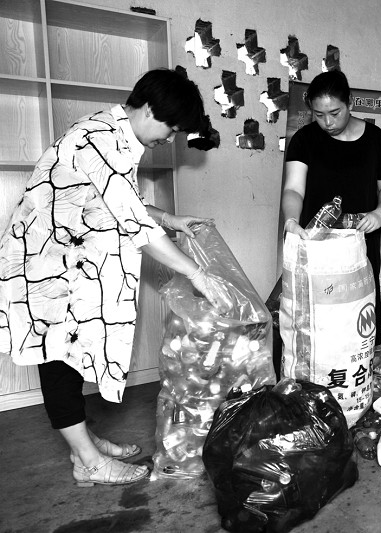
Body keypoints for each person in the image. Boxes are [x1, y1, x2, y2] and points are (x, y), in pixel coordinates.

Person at [0, 68, 228, 487]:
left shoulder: (115, 136)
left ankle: (83, 445)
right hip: (45, 265)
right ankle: (88, 461)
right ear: (148, 108)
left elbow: (125, 202)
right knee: (57, 358)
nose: (170, 139)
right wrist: (197, 273)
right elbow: (135, 224)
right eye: (171, 128)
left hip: (65, 260)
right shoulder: (100, 138)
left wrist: (171, 219)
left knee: (68, 354)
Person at [281, 70, 381, 342]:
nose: (327, 122)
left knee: (359, 321)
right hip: (317, 245)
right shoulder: (304, 140)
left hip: (361, 245)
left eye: (335, 113)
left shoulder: (374, 138)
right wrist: (291, 220)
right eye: (319, 115)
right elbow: (293, 189)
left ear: (351, 103)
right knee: (320, 324)